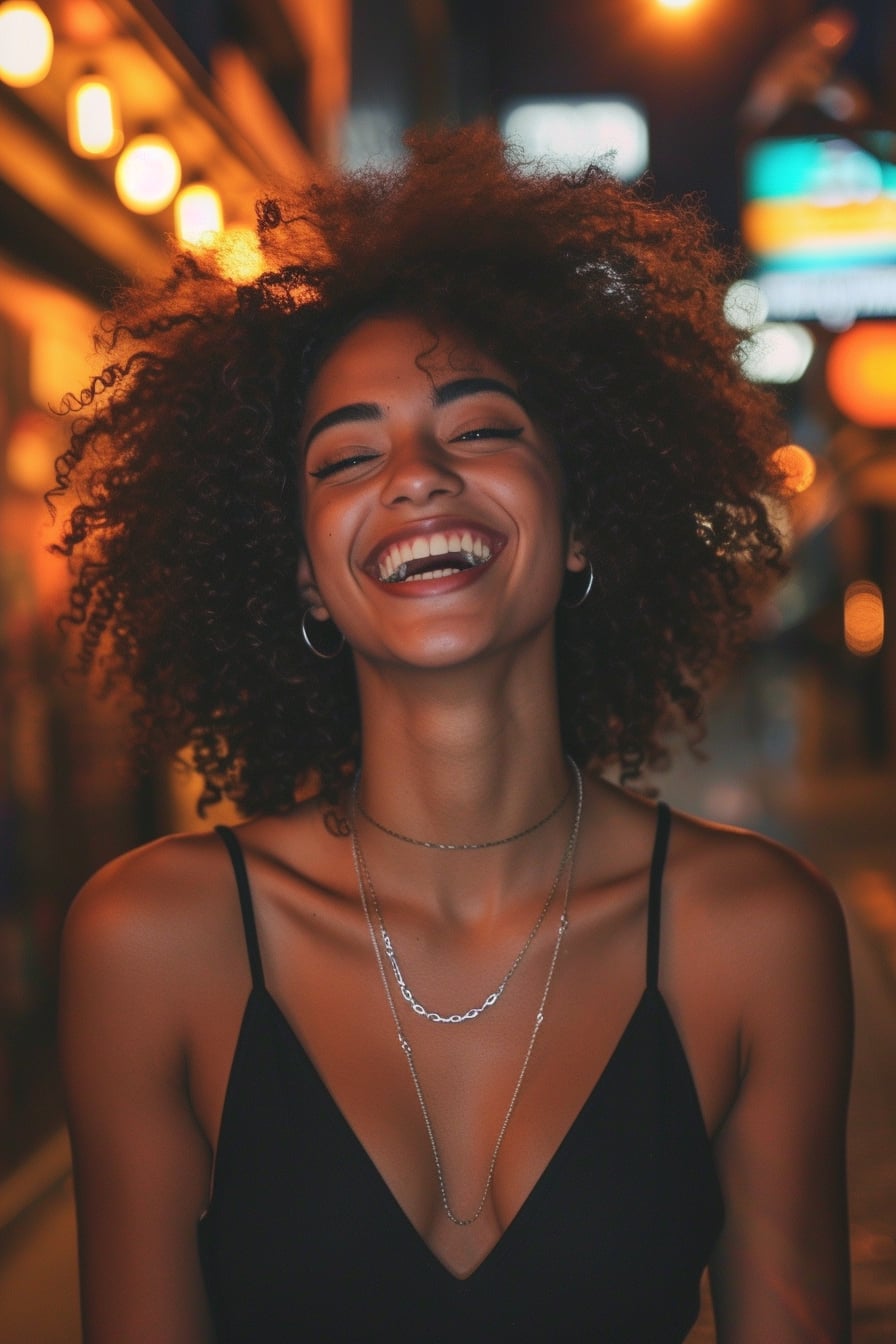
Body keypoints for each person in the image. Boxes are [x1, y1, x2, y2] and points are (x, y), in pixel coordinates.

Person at [56, 124, 853, 1343]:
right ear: (308, 582)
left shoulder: (753, 935)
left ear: (580, 525)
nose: (417, 476)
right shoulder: (152, 946)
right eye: (347, 456)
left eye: (478, 430)